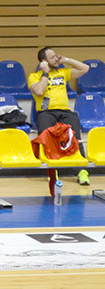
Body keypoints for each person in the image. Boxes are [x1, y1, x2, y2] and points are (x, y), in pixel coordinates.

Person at [28, 47, 90, 185]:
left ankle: (82, 171)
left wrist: (66, 60)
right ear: (44, 61)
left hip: (65, 111)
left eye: (56, 56)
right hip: (46, 112)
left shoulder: (62, 73)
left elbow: (85, 68)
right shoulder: (34, 76)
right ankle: (52, 171)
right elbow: (39, 91)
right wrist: (45, 73)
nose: (56, 59)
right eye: (52, 57)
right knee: (46, 137)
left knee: (75, 136)